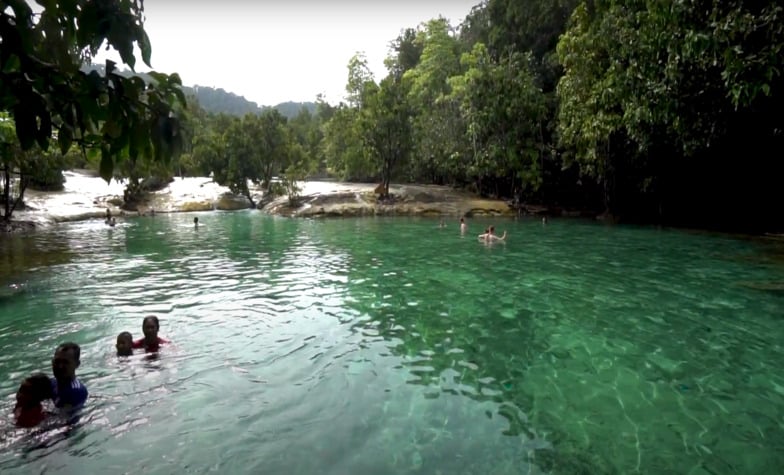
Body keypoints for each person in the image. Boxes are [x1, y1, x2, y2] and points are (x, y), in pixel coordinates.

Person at [51, 342, 89, 410]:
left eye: (65, 362)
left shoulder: (75, 392)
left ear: (77, 364)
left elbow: (63, 419)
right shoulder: (51, 383)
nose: (60, 366)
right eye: (57, 361)